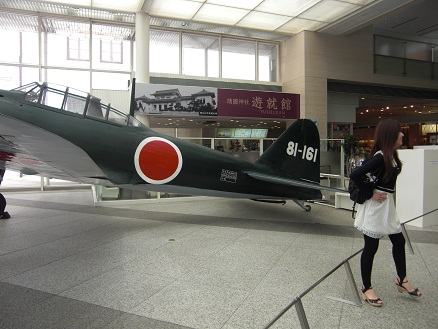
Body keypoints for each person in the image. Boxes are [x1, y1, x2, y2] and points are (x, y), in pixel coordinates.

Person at [350, 119, 421, 307]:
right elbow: (355, 175)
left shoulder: (392, 155)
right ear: (390, 135)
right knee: (371, 247)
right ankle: (366, 288)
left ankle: (402, 279)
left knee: (399, 241)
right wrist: (370, 193)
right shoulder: (381, 157)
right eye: (399, 132)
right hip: (376, 208)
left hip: (387, 206)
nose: (403, 134)